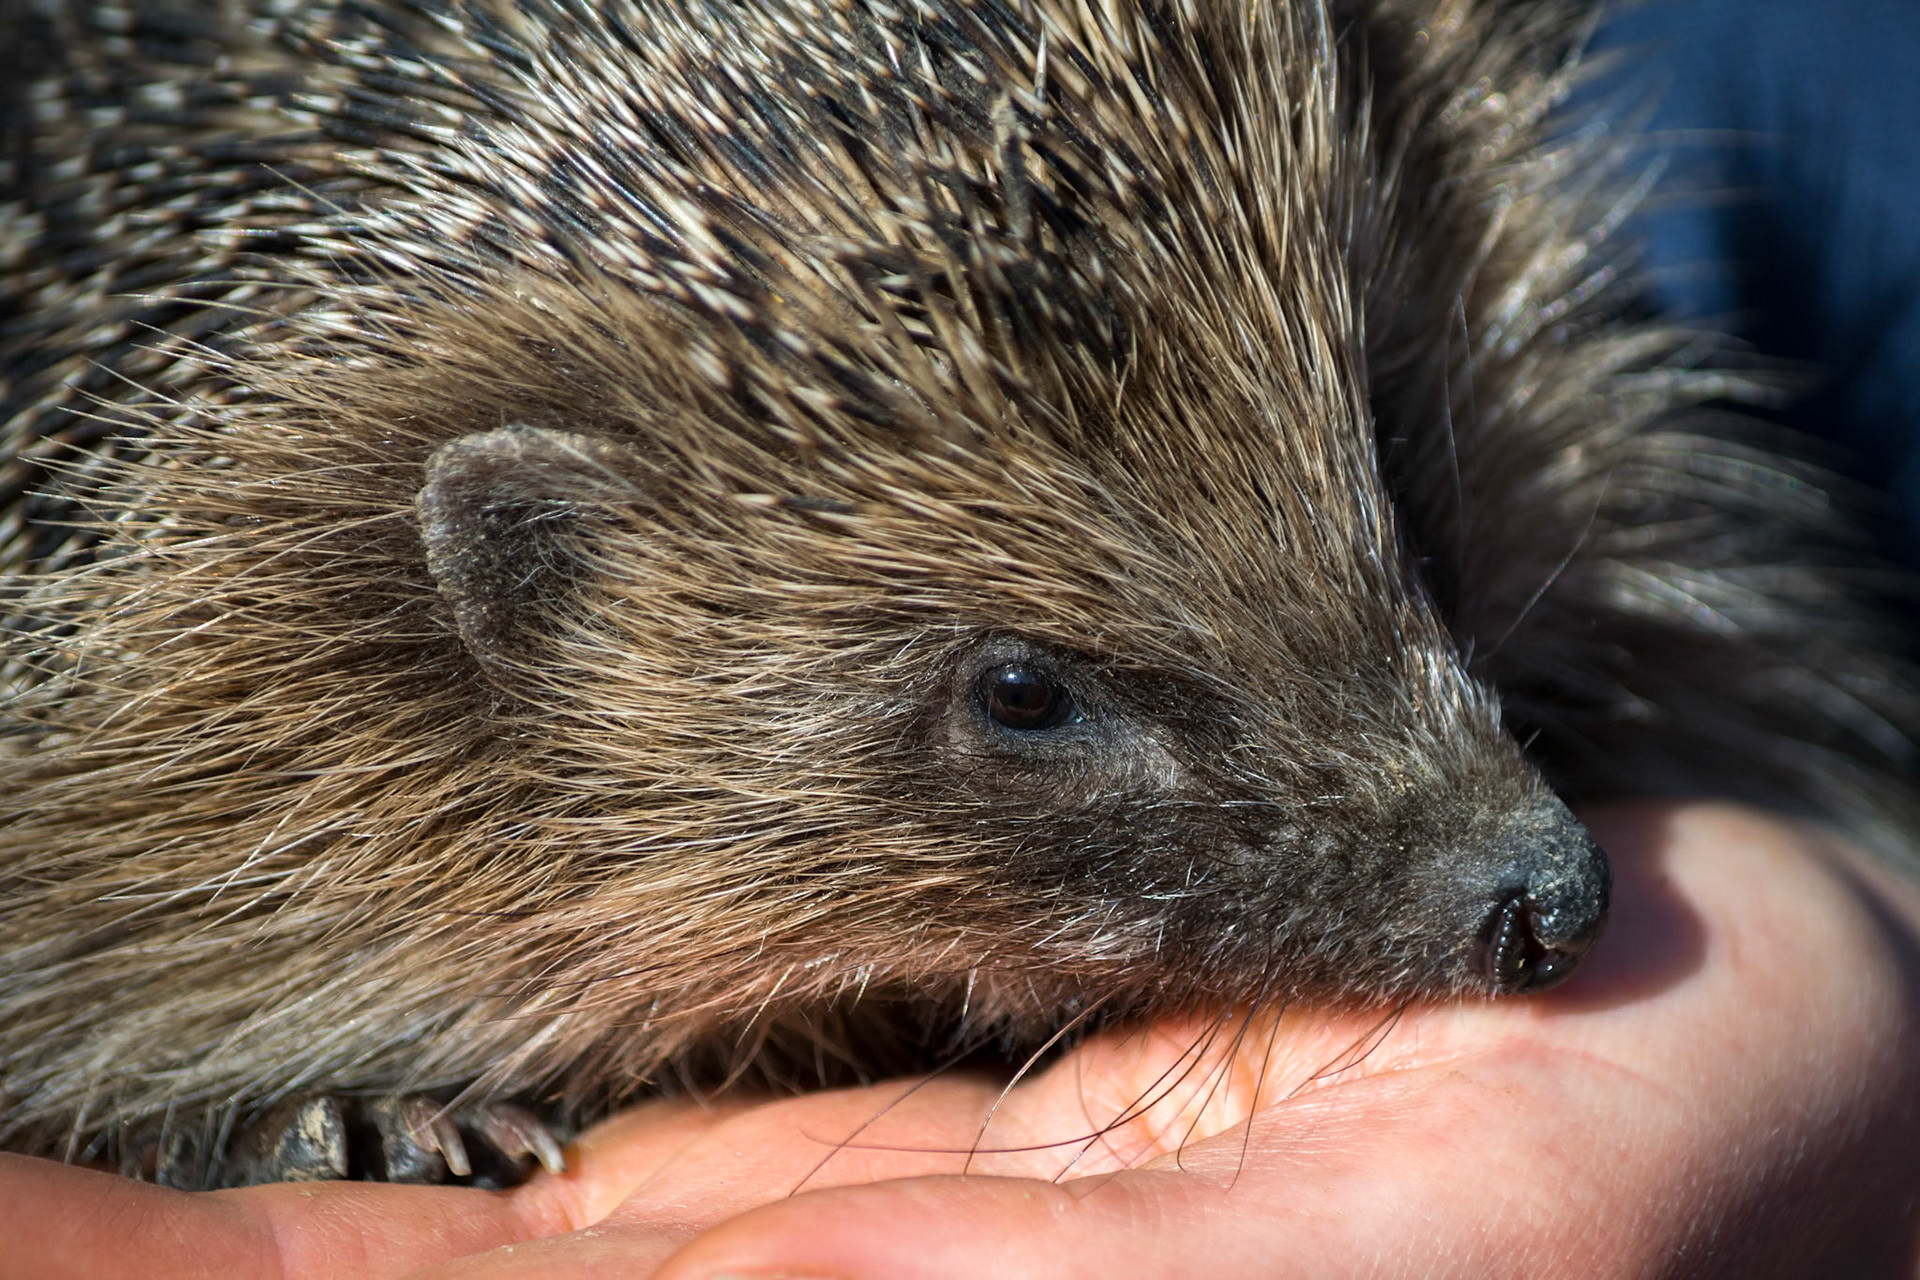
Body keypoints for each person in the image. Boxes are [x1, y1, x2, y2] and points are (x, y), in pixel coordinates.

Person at [8, 1, 1920, 1274]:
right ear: (550, 592)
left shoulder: (1436, 193)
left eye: (1389, 511)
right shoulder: (209, 861)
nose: (1537, 868)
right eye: (1030, 703)